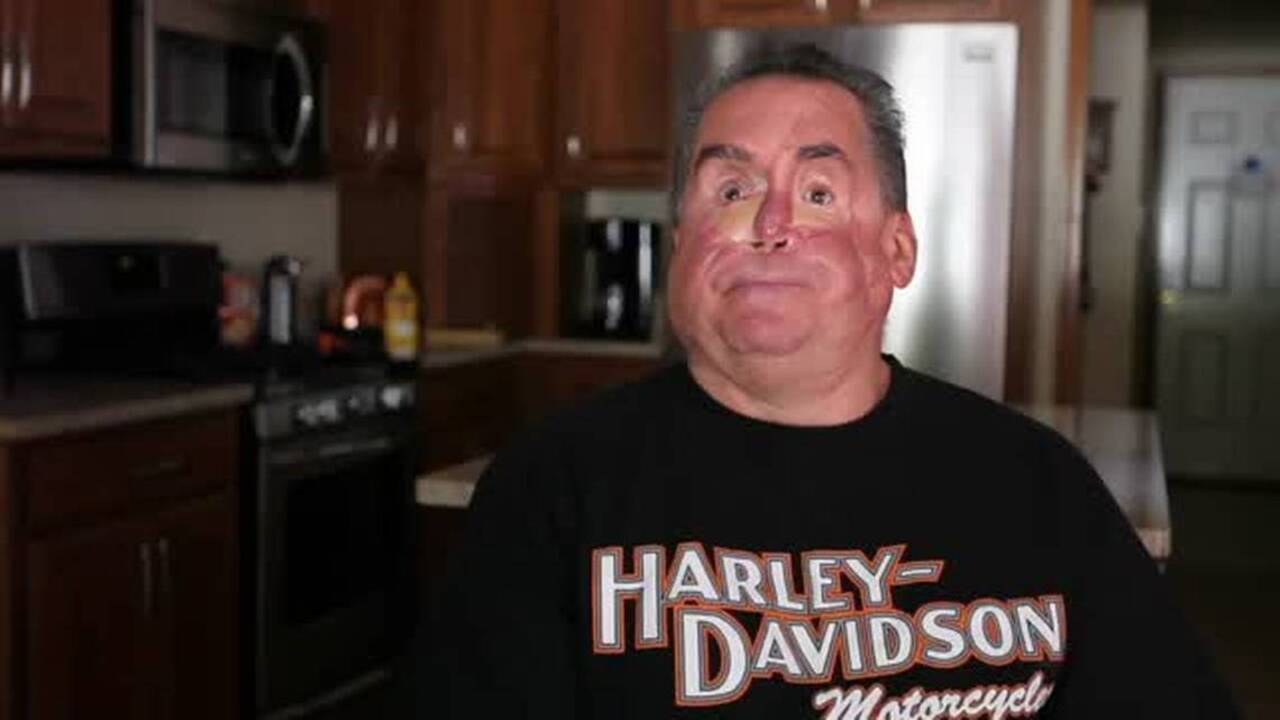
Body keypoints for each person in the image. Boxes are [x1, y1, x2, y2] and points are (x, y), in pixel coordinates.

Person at [424, 44, 1238, 718]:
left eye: (817, 193)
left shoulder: (1038, 486)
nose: (771, 226)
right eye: (732, 191)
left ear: (897, 251)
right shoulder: (551, 490)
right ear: (682, 248)